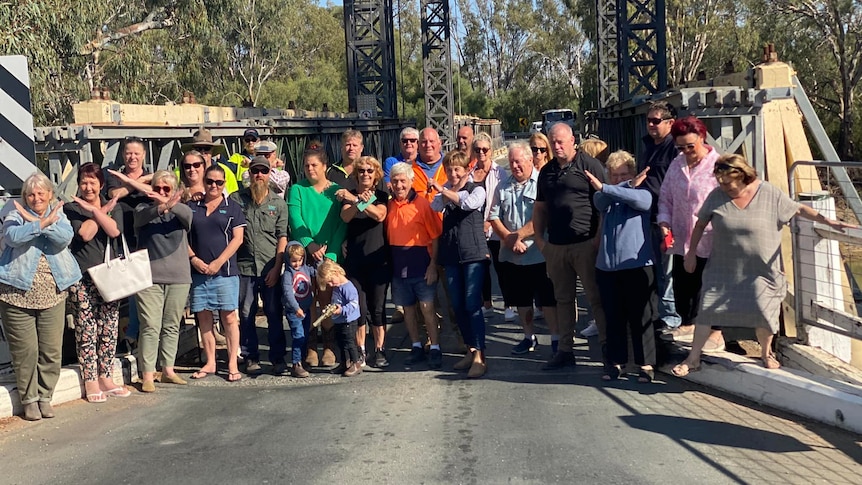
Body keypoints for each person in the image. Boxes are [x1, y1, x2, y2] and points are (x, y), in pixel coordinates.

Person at [672, 155, 856, 376]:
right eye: (720, 182)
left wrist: (827, 221)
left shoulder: (768, 193)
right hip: (723, 266)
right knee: (707, 311)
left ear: (743, 177)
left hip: (761, 269)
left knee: (764, 311)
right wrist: (690, 253)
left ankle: (766, 352)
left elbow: (798, 209)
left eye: (728, 183)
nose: (724, 187)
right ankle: (693, 358)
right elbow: (700, 224)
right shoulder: (716, 196)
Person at [0, 173, 82, 420]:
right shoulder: (15, 214)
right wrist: (41, 224)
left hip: (53, 292)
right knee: (26, 352)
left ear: (50, 195)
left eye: (41, 193)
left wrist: (40, 223)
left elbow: (64, 239)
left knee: (50, 350)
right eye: (31, 194)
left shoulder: (61, 216)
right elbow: (13, 237)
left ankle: (45, 396)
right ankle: (30, 400)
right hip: (16, 292)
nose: (36, 198)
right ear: (25, 197)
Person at [533, 122, 608, 370]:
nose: (557, 146)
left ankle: (608, 349)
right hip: (556, 246)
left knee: (596, 297)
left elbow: (604, 203)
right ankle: (566, 350)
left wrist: (598, 237)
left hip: (585, 243)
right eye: (553, 142)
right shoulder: (547, 172)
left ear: (573, 141)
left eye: (561, 141)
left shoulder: (589, 165)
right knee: (563, 300)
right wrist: (540, 240)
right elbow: (540, 207)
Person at [586, 151, 657, 383]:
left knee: (640, 316)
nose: (617, 179)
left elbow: (641, 202)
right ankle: (616, 363)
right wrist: (619, 187)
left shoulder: (642, 193)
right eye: (613, 175)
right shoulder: (605, 197)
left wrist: (620, 187)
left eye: (624, 175)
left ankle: (645, 364)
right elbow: (600, 200)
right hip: (608, 267)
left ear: (634, 174)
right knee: (613, 317)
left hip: (636, 264)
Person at [64, 163, 130, 402]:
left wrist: (101, 209)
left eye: (93, 182)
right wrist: (99, 211)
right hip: (83, 277)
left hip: (109, 274)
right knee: (87, 328)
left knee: (109, 327)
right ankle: (91, 379)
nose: (88, 187)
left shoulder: (116, 207)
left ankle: (106, 376)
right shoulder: (71, 209)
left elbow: (113, 231)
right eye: (83, 182)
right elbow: (85, 234)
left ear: (101, 184)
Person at [658, 116, 723, 352]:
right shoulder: (677, 165)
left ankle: (716, 331)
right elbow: (666, 198)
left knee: (709, 286)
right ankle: (688, 324)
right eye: (681, 147)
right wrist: (664, 222)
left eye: (691, 147)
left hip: (710, 240)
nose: (687, 152)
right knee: (684, 286)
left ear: (702, 139)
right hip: (681, 239)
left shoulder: (718, 167)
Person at [488, 142, 558, 355]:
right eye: (511, 162)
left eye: (519, 161)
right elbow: (493, 216)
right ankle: (528, 337)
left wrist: (516, 236)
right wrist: (509, 239)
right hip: (513, 256)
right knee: (521, 300)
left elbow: (542, 218)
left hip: (538, 253)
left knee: (547, 300)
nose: (515, 165)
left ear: (530, 160)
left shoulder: (542, 184)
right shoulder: (503, 186)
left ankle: (556, 339)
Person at [430, 151, 491, 378]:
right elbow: (435, 207)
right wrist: (446, 191)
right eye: (449, 170)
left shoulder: (477, 189)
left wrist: (445, 190)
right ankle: (470, 349)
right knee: (456, 305)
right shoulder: (448, 191)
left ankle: (480, 356)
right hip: (452, 255)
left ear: (467, 170)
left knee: (472, 304)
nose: (453, 173)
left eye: (457, 169)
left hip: (473, 254)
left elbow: (468, 205)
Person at [133, 171, 194, 392]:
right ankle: (148, 374)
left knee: (171, 325)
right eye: (157, 188)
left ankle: (168, 370)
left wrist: (171, 203)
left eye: (166, 189)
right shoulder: (142, 209)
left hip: (178, 277)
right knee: (150, 325)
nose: (161, 192)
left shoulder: (182, 210)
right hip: (148, 277)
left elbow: (188, 218)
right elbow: (140, 220)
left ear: (174, 190)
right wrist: (160, 205)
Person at [288, 142, 347, 367]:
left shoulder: (335, 191)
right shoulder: (298, 190)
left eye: (314, 165)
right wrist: (309, 244)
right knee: (307, 301)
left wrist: (331, 252)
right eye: (306, 166)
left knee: (327, 301)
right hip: (304, 255)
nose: (310, 169)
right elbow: (296, 219)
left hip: (329, 255)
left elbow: (342, 223)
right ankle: (311, 346)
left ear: (324, 166)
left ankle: (329, 346)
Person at [187, 165, 246, 382]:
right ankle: (210, 361)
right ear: (204, 181)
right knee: (203, 317)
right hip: (199, 271)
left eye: (219, 183)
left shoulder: (233, 208)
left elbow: (238, 239)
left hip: (225, 272)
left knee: (229, 317)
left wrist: (219, 262)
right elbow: (182, 236)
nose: (214, 186)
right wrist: (194, 259)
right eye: (210, 181)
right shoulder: (192, 206)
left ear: (224, 184)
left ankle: (231, 362)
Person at [231, 156, 289, 375]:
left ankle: (277, 358)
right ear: (250, 173)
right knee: (246, 313)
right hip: (244, 267)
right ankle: (250, 356)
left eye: (263, 171)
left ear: (269, 174)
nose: (259, 175)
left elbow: (282, 236)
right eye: (255, 171)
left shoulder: (278, 203)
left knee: (274, 313)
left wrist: (277, 267)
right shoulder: (237, 200)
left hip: (269, 266)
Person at [386, 162, 443, 369]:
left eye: (403, 181)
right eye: (395, 181)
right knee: (408, 310)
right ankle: (416, 346)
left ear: (411, 182)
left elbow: (435, 237)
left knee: (427, 308)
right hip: (399, 265)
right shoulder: (389, 205)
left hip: (421, 263)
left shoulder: (423, 205)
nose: (399, 185)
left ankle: (435, 347)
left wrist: (433, 265)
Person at [338, 156, 390, 368]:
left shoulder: (382, 195)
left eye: (370, 171)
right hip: (355, 260)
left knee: (377, 308)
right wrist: (356, 200)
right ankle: (360, 349)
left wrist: (358, 200)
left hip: (378, 259)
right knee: (358, 306)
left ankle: (379, 349)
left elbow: (379, 215)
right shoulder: (350, 198)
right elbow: (346, 217)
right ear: (356, 174)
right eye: (361, 171)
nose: (365, 174)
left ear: (376, 174)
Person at [105, 136, 151, 349]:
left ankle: (137, 334)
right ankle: (132, 333)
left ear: (143, 155)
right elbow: (115, 194)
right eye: (128, 153)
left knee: (144, 290)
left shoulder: (154, 175)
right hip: (124, 240)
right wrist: (139, 182)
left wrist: (131, 185)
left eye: (136, 153)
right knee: (133, 288)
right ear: (123, 155)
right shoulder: (115, 177)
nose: (132, 157)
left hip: (151, 239)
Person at [639, 101, 681, 332]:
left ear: (670, 123)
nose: (651, 125)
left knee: (668, 272)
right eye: (649, 120)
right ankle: (656, 315)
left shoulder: (674, 148)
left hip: (667, 220)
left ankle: (670, 318)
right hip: (648, 217)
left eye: (656, 121)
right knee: (654, 270)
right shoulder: (648, 147)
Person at [468, 132, 509, 320]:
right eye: (477, 149)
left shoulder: (499, 172)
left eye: (485, 149)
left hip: (495, 227)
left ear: (491, 151)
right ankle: (487, 304)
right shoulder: (469, 174)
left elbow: (502, 200)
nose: (481, 153)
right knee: (482, 268)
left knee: (502, 267)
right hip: (475, 229)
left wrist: (490, 221)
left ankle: (509, 304)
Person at [317, 259, 363, 377]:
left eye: (331, 281)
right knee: (341, 342)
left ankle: (356, 362)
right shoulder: (337, 287)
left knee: (349, 342)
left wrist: (341, 309)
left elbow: (353, 304)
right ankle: (344, 362)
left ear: (336, 272)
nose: (331, 285)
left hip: (348, 320)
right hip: (339, 319)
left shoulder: (348, 287)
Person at [280, 242, 314, 378]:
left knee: (305, 335)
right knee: (298, 335)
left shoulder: (305, 268)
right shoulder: (288, 274)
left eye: (300, 260)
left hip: (306, 309)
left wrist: (322, 261)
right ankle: (296, 363)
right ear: (288, 259)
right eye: (294, 261)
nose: (297, 264)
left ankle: (303, 358)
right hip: (295, 311)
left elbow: (317, 271)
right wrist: (296, 308)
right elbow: (288, 293)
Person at [180, 128, 240, 194]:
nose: (203, 152)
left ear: (212, 150)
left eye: (207, 148)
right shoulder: (179, 171)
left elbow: (234, 198)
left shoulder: (226, 171)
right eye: (198, 149)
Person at [412, 128, 448, 201]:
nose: (428, 145)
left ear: (439, 143)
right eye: (424, 142)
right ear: (418, 144)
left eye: (432, 141)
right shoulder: (409, 168)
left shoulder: (450, 165)